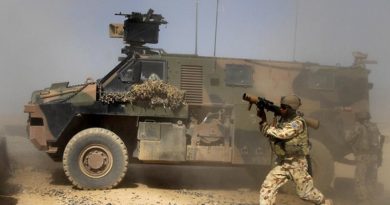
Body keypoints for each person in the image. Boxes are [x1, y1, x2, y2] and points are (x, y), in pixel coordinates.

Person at [257, 95, 332, 205]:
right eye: (280, 106)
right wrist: (262, 120)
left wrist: (267, 127)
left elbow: (282, 134)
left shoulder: (298, 123)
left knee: (305, 194)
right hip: (283, 163)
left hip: (297, 164)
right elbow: (269, 134)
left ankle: (325, 203)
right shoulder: (282, 121)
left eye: (284, 107)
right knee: (267, 187)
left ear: (291, 109)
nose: (281, 109)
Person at [345, 111, 384, 205]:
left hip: (363, 156)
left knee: (360, 179)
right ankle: (372, 198)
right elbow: (379, 140)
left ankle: (363, 200)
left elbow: (348, 139)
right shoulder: (374, 127)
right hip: (374, 156)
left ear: (359, 118)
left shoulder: (358, 126)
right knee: (371, 178)